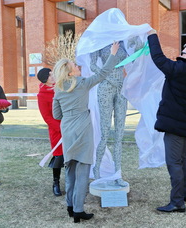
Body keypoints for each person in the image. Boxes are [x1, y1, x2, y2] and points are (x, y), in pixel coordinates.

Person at [52, 42, 120, 223]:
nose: (78, 66)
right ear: (69, 72)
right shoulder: (82, 83)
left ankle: (70, 206)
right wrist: (113, 54)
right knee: (82, 171)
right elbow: (103, 73)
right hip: (82, 130)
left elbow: (56, 114)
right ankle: (78, 210)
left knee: (70, 169)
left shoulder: (58, 89)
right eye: (75, 66)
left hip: (67, 130)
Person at [147, 29, 186, 213]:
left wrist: (152, 36)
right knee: (182, 159)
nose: (180, 55)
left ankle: (177, 202)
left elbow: (159, 59)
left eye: (183, 52)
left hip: (175, 124)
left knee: (174, 162)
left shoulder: (182, 69)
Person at [89, 41, 128, 186]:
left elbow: (134, 59)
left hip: (121, 88)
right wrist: (109, 78)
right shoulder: (100, 41)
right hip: (106, 87)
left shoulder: (123, 42)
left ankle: (118, 173)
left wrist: (139, 45)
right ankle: (97, 170)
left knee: (119, 134)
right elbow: (92, 65)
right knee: (105, 132)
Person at [37, 68, 63, 196]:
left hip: (69, 125)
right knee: (59, 155)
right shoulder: (42, 95)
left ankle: (72, 181)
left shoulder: (60, 88)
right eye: (49, 75)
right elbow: (46, 116)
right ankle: (56, 182)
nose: (53, 76)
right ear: (44, 79)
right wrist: (59, 128)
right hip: (56, 130)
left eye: (53, 74)